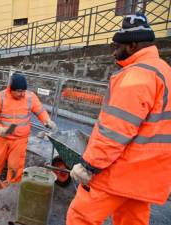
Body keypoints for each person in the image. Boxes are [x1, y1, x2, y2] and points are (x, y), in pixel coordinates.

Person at [67, 12, 171, 225]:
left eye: (117, 47)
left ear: (132, 45)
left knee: (80, 217)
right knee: (132, 221)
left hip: (120, 172)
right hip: (147, 176)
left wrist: (88, 166)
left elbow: (115, 131)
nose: (114, 53)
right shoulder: (164, 72)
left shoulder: (136, 77)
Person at [0, 73, 58, 186]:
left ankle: (11, 187)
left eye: (24, 90)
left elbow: (40, 111)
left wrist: (47, 121)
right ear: (10, 89)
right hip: (2, 138)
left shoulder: (30, 97)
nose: (22, 94)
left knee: (16, 166)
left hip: (20, 140)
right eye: (19, 91)